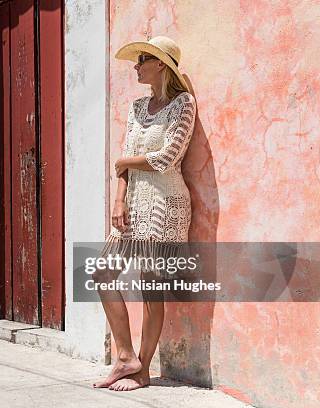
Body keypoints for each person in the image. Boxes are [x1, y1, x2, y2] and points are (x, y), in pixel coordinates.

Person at [92, 36, 197, 392]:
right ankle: (125, 356)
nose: (136, 66)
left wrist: (124, 162)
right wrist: (119, 200)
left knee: (152, 288)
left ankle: (143, 370)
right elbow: (126, 158)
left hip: (166, 204)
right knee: (103, 272)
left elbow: (168, 157)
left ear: (161, 65)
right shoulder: (137, 107)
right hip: (133, 201)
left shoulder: (184, 104)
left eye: (142, 60)